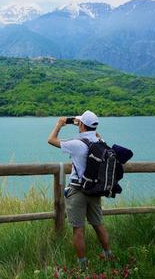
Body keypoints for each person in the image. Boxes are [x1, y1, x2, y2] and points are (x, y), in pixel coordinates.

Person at [47, 110, 112, 269]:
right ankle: (108, 254)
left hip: (77, 191)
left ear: (82, 125)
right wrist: (82, 124)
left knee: (78, 229)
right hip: (95, 189)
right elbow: (95, 134)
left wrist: (60, 124)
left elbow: (51, 140)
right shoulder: (100, 141)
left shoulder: (76, 144)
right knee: (98, 224)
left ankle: (83, 265)